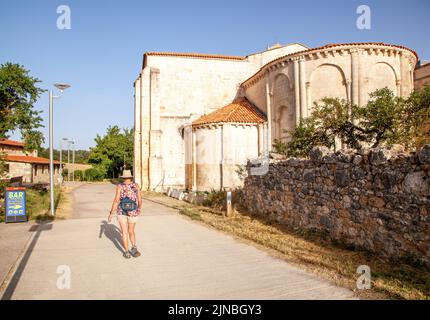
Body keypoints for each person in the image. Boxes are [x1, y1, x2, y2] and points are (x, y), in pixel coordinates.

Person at [108, 169, 142, 259]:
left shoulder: (119, 186)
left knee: (124, 232)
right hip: (133, 211)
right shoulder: (136, 185)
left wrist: (111, 213)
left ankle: (126, 252)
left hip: (121, 211)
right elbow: (139, 199)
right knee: (131, 231)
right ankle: (134, 249)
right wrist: (139, 208)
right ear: (131, 177)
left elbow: (116, 200)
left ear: (123, 177)